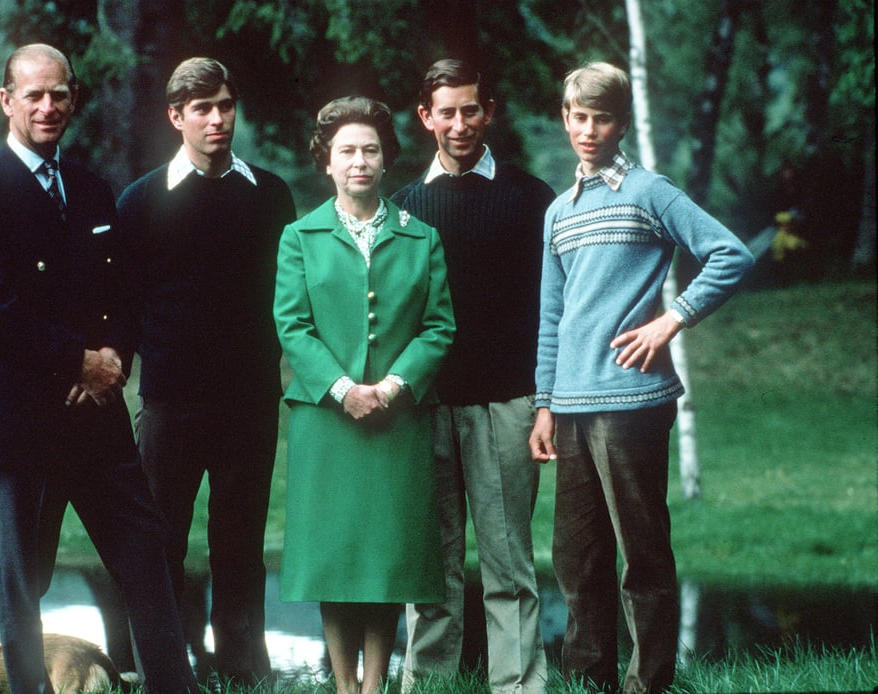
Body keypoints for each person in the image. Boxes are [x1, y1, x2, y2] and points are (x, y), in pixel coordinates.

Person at [0, 43, 196, 694]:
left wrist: (113, 357)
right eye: (34, 95)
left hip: (97, 416)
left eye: (59, 94)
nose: (48, 106)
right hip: (21, 421)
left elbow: (123, 292)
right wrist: (77, 361)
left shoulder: (90, 190)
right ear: (7, 101)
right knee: (22, 583)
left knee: (146, 555)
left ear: (74, 98)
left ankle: (176, 688)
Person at [528, 62, 754, 694]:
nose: (589, 129)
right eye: (579, 117)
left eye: (602, 118)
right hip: (569, 406)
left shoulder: (649, 192)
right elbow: (552, 315)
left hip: (633, 401)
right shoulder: (557, 212)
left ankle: (648, 683)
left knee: (643, 557)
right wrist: (544, 405)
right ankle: (588, 680)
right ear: (565, 118)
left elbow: (730, 253)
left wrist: (671, 321)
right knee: (578, 560)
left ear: (621, 122)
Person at [116, 57, 295, 686]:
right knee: (160, 538)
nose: (217, 119)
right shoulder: (140, 202)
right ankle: (163, 670)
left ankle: (243, 670)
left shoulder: (270, 194)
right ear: (176, 117)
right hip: (169, 403)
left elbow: (286, 297)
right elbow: (125, 304)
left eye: (224, 106)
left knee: (239, 544)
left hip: (249, 403)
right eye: (202, 109)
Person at [273, 96, 455, 694]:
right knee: (334, 556)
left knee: (386, 557)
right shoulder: (300, 236)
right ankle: (344, 687)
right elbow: (293, 326)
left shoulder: (421, 237)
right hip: (327, 421)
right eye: (347, 150)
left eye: (370, 150)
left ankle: (375, 686)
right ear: (326, 160)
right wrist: (344, 389)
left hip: (397, 420)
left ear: (386, 160)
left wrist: (394, 387)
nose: (359, 161)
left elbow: (438, 326)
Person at [392, 59, 556, 694]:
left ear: (490, 112)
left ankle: (518, 685)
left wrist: (545, 402)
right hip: (425, 408)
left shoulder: (530, 198)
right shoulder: (403, 208)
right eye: (447, 111)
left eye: (471, 109)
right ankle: (427, 683)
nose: (460, 124)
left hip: (506, 404)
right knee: (430, 565)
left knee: (508, 564)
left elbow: (553, 308)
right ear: (426, 117)